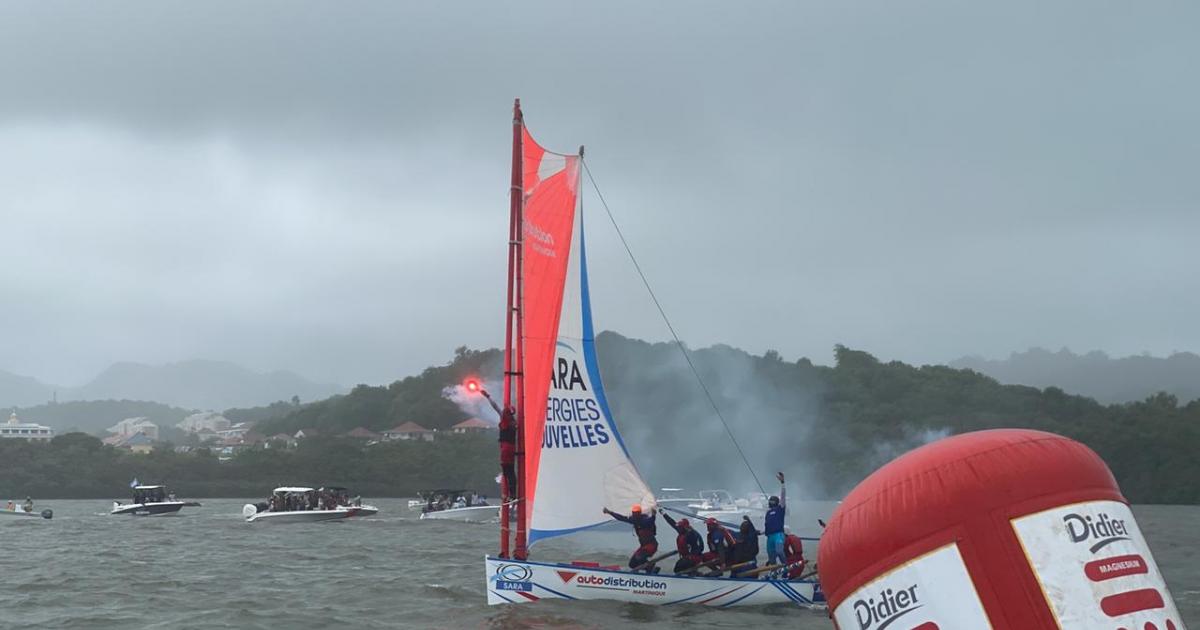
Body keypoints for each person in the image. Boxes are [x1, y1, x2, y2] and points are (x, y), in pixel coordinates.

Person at [603, 504, 659, 571]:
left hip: (651, 545)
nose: (635, 515)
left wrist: (653, 515)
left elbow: (651, 520)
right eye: (634, 513)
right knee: (632, 564)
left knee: (639, 557)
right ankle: (646, 571)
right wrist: (609, 512)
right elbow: (621, 518)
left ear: (639, 513)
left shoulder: (645, 520)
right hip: (643, 546)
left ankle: (651, 568)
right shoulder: (633, 520)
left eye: (636, 513)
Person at [764, 471, 787, 566]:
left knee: (779, 551)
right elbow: (768, 525)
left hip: (779, 535)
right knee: (771, 556)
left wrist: (782, 483)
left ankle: (786, 568)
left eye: (772, 501)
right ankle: (773, 575)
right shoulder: (768, 512)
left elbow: (783, 496)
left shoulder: (780, 508)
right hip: (769, 537)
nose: (771, 502)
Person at [498, 406, 517, 502]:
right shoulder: (513, 423)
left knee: (507, 472)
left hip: (505, 448)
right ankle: (512, 493)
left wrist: (488, 397)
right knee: (510, 471)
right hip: (512, 448)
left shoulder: (505, 421)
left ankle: (510, 494)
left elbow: (496, 407)